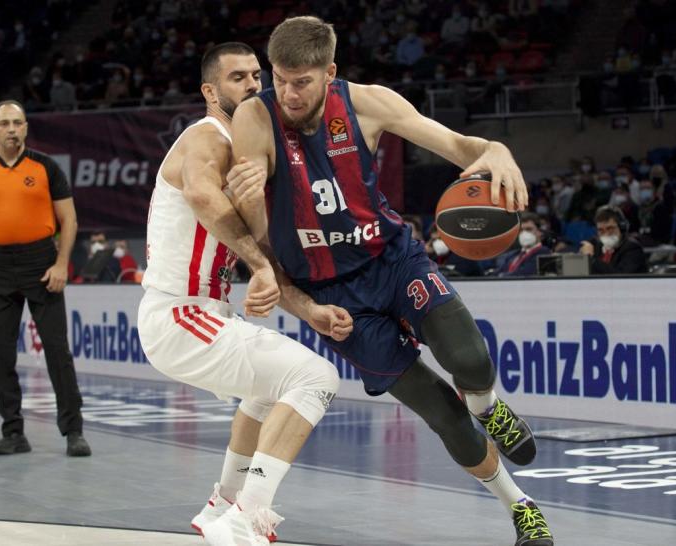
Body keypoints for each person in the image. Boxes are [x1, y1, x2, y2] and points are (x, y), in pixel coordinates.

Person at [227, 16, 553, 546]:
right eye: (278, 79)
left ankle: (489, 407)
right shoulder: (253, 117)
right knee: (443, 416)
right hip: (331, 295)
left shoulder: (369, 102)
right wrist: (302, 304)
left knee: (470, 361)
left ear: (329, 73)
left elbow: (460, 148)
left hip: (393, 260)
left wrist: (497, 150)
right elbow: (260, 243)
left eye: (302, 82)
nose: (287, 92)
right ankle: (522, 507)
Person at [137, 42, 352, 546]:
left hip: (202, 311)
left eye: (257, 76)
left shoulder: (246, 151)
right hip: (178, 313)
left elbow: (262, 253)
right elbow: (202, 197)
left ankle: (222, 504)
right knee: (316, 378)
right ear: (210, 91)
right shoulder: (206, 137)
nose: (255, 86)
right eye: (238, 78)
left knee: (264, 394)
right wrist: (258, 266)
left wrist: (310, 310)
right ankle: (246, 518)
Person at [0, 100, 91, 457]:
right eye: (4, 123)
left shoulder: (45, 166)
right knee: (0, 355)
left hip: (42, 262)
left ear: (25, 127)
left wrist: (61, 264)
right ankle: (13, 432)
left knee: (57, 350)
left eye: (16, 123)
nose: (10, 129)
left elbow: (69, 221)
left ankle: (73, 432)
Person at [580, 205, 648, 274]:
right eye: (601, 230)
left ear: (621, 227)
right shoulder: (594, 245)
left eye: (610, 228)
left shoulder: (632, 248)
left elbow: (620, 278)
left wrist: (592, 260)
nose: (606, 234)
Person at [496, 212, 551, 276]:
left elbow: (524, 273)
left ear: (539, 232)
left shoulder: (544, 253)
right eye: (521, 230)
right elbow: (497, 273)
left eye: (529, 229)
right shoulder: (513, 255)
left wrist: (501, 276)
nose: (524, 233)